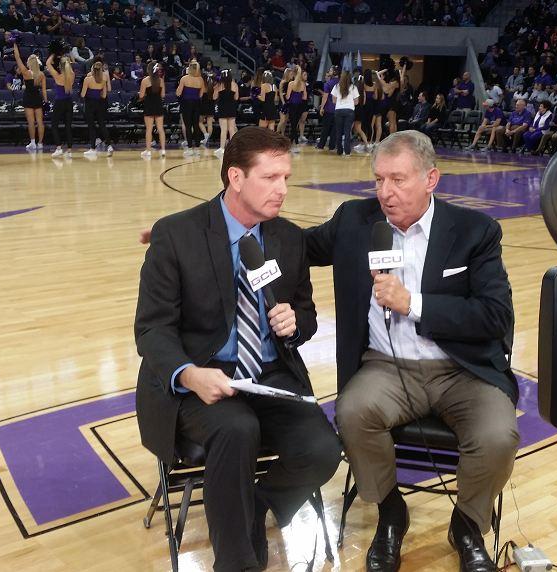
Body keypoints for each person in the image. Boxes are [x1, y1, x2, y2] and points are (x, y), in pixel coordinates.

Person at [303, 130, 519, 572]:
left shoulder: (475, 231)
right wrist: (205, 230)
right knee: (353, 413)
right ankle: (389, 512)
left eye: (398, 180)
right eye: (379, 180)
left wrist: (413, 304)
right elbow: (295, 245)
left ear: (431, 179)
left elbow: (495, 316)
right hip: (385, 366)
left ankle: (467, 523)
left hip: (461, 370)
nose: (385, 192)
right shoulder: (354, 220)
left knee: (498, 437)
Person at [135, 126, 341, 572]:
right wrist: (189, 373)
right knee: (236, 429)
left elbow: (305, 316)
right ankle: (235, 562)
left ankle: (255, 505)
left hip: (269, 375)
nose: (282, 189)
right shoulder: (177, 235)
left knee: (324, 449)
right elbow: (152, 330)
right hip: (201, 376)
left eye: (286, 177)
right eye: (270, 178)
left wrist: (295, 323)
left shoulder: (288, 238)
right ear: (235, 177)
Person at [14, 43, 47, 151]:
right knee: (40, 122)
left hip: (28, 97)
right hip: (37, 98)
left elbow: (17, 58)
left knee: (31, 122)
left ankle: (33, 142)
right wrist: (45, 101)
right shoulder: (41, 74)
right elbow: (44, 91)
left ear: (29, 62)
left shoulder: (26, 72)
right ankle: (40, 143)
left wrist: (15, 45)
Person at [81, 61, 113, 157]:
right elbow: (103, 95)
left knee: (91, 127)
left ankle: (92, 148)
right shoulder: (103, 80)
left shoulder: (88, 79)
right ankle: (109, 145)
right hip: (99, 104)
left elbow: (82, 94)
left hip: (90, 104)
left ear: (92, 69)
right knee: (102, 125)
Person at [46, 54, 75, 158]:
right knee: (68, 127)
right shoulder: (72, 74)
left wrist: (54, 53)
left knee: (54, 125)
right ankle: (70, 151)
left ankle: (58, 148)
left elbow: (48, 63)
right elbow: (70, 66)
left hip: (59, 103)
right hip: (69, 102)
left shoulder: (58, 76)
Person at [176, 60, 206, 155]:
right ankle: (197, 148)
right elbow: (201, 94)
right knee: (196, 125)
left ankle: (189, 148)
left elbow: (178, 93)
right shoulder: (200, 79)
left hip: (186, 104)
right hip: (197, 104)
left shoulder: (184, 78)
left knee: (188, 126)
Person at [139, 61, 166, 159]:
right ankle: (163, 150)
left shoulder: (145, 81)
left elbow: (141, 95)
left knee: (149, 129)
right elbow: (163, 95)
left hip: (149, 106)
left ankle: (148, 151)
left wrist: (144, 94)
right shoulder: (161, 80)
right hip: (158, 105)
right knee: (160, 129)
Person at [331, 70, 359, 157]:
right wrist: (349, 102)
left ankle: (339, 151)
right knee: (347, 132)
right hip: (349, 111)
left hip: (338, 110)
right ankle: (347, 152)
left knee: (339, 131)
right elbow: (356, 102)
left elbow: (334, 100)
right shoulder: (354, 87)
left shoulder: (336, 87)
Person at [213, 68, 238, 157]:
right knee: (232, 129)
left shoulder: (219, 85)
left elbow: (214, 97)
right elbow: (236, 97)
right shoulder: (234, 84)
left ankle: (222, 148)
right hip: (231, 108)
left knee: (223, 129)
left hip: (222, 108)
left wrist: (215, 89)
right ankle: (234, 148)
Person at [314, 66, 339, 151]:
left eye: (331, 70)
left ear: (335, 72)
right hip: (339, 109)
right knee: (334, 129)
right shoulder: (342, 83)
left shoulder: (328, 83)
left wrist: (322, 107)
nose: (329, 71)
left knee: (325, 128)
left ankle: (321, 145)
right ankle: (332, 146)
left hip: (329, 108)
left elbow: (325, 96)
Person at [284, 65, 308, 153]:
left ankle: (294, 143)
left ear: (294, 73)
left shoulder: (291, 84)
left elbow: (287, 96)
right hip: (300, 106)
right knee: (295, 124)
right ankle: (294, 142)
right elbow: (305, 97)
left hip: (292, 106)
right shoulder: (303, 84)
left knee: (293, 124)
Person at [199, 74, 215, 149]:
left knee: (199, 122)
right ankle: (207, 139)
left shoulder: (202, 87)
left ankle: (205, 134)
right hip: (211, 106)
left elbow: (200, 96)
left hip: (203, 106)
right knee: (210, 124)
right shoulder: (212, 87)